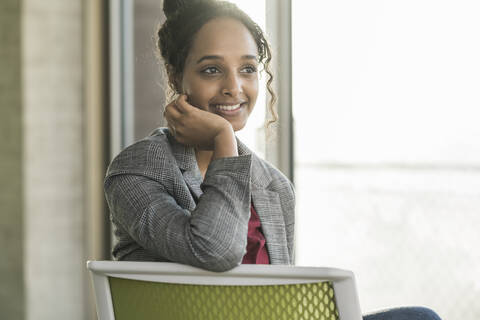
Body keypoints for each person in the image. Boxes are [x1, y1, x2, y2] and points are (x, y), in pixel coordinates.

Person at [104, 0, 441, 319]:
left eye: (248, 69)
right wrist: (223, 138)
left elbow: (282, 298)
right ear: (175, 75)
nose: (234, 87)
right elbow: (215, 249)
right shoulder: (138, 170)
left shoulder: (274, 186)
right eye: (211, 70)